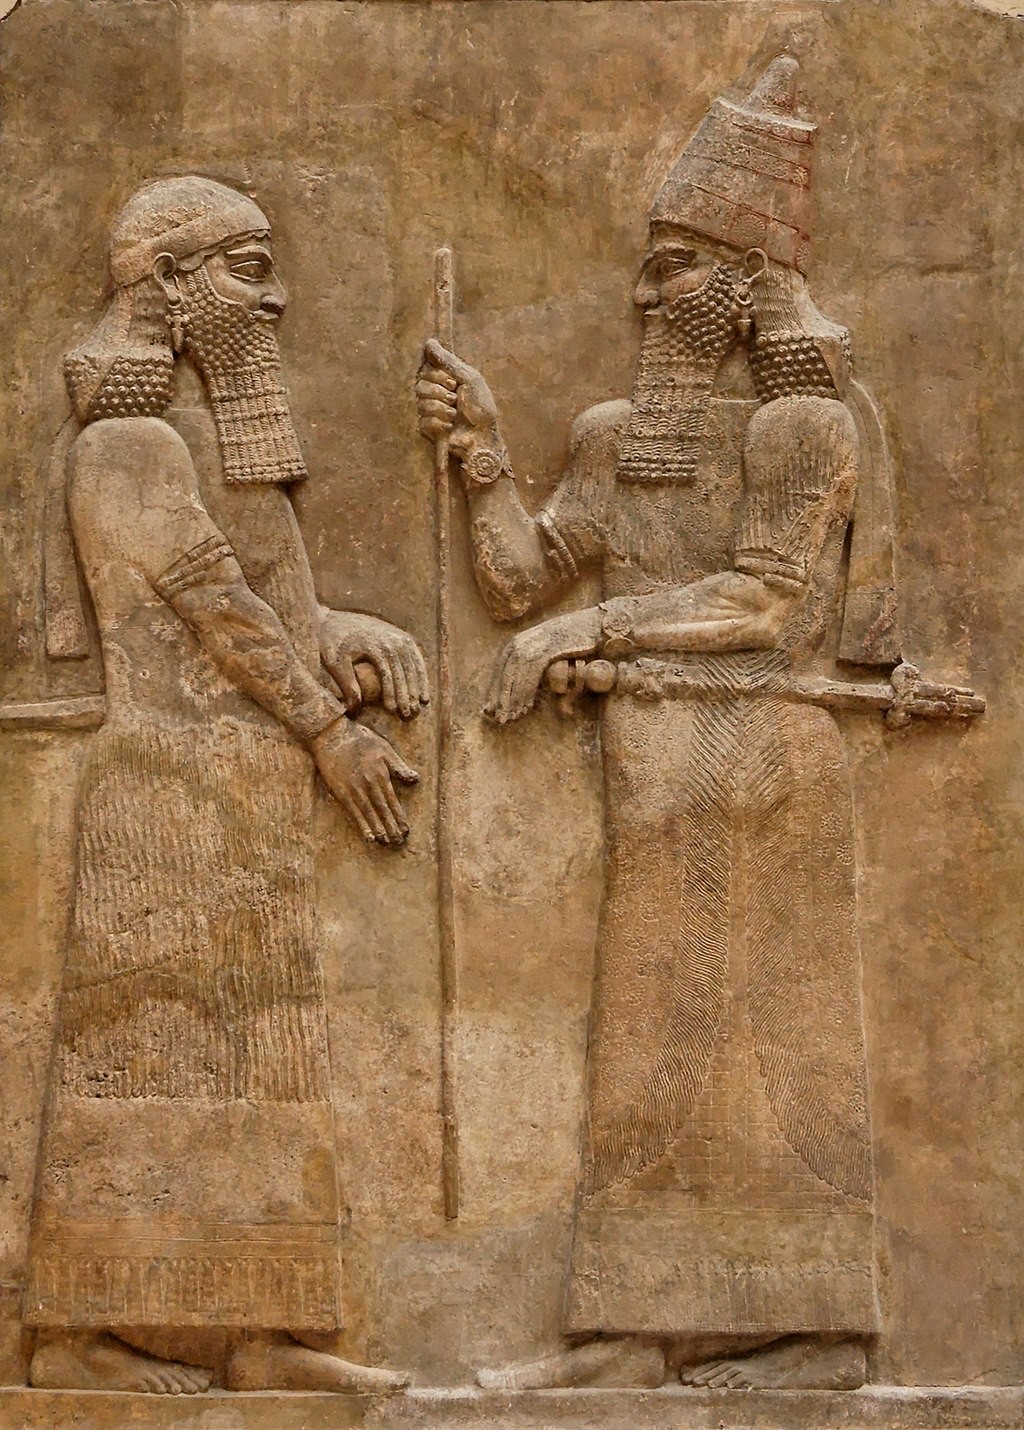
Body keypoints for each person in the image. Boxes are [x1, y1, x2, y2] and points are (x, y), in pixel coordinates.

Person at [417, 57, 888, 1391]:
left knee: (777, 1056)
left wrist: (590, 634)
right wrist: (482, 454)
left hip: (765, 765)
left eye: (673, 266)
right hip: (657, 772)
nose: (644, 293)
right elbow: (519, 581)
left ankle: (812, 1330)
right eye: (645, 266)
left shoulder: (804, 426)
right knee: (648, 1050)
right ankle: (632, 1325)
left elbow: (762, 601)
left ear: (747, 278)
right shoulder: (616, 434)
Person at [26, 176, 425, 1395]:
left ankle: (254, 1329)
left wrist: (336, 627)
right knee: (143, 1064)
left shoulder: (176, 438)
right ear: (169, 279)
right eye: (249, 268)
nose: (277, 295)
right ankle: (86, 1332)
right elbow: (214, 607)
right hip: (169, 792)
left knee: (260, 1068)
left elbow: (253, 600)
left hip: (241, 787)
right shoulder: (127, 442)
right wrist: (330, 730)